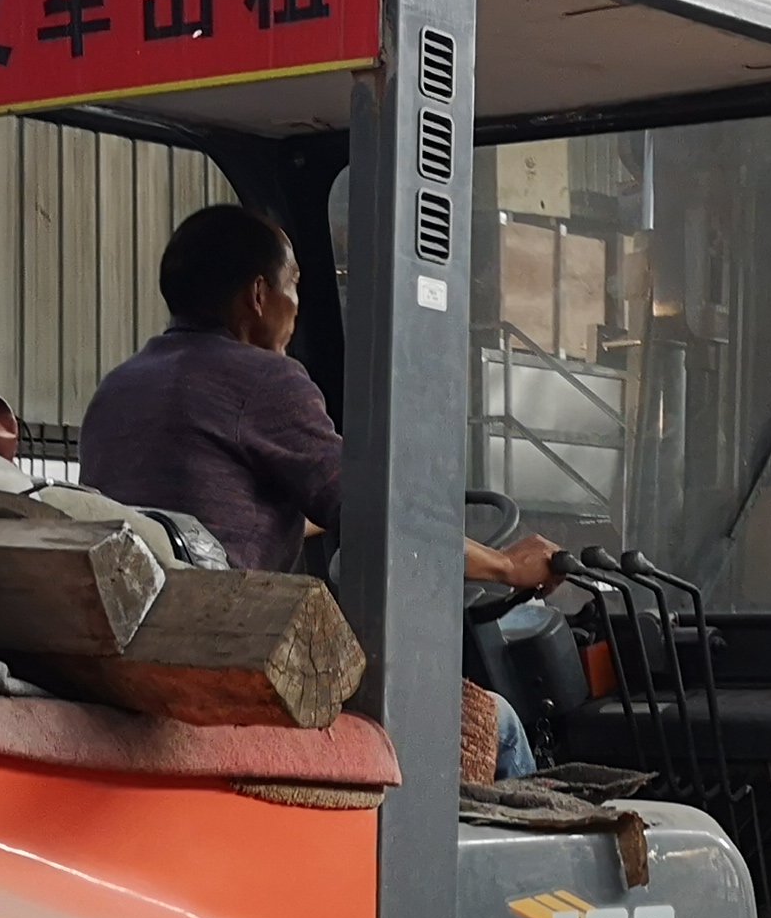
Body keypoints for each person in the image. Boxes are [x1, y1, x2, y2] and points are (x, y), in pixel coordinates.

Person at [80, 204, 561, 776]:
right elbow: (381, 520)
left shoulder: (120, 386)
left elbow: (208, 505)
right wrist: (507, 567)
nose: (297, 306)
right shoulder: (266, 380)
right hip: (232, 661)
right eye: (294, 286)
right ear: (258, 295)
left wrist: (312, 516)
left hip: (136, 653)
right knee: (497, 723)